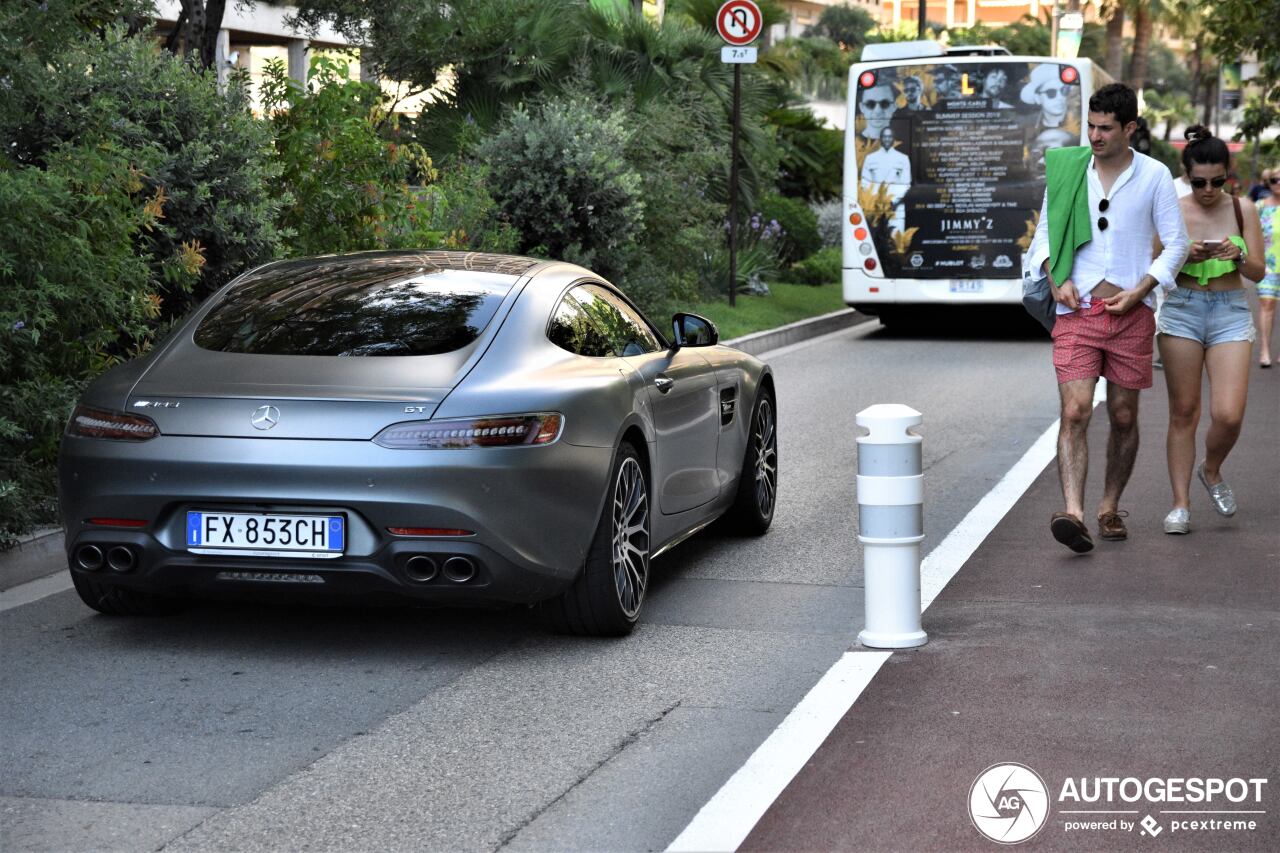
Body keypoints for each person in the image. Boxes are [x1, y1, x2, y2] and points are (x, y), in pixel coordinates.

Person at [1027, 83, 1189, 552]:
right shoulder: (1068, 169)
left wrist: (1143, 289)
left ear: (1129, 129)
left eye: (1105, 128)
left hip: (1131, 313)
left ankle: (1108, 506)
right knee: (1075, 410)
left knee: (1122, 415)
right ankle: (1073, 513)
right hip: (1076, 310)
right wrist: (1053, 277)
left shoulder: (1155, 175)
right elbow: (1044, 236)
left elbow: (1176, 244)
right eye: (1091, 126)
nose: (1094, 136)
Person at [1156, 127, 1266, 534]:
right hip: (1182, 309)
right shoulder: (1172, 206)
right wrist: (1185, 253)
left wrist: (1238, 255)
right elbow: (1153, 266)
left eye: (1217, 181)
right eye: (1199, 181)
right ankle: (1180, 505)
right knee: (1184, 412)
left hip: (1230, 311)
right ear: (1186, 175)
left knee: (1228, 414)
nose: (1207, 189)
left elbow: (1259, 271)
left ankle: (1212, 469)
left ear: (1228, 176)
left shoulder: (1243, 210)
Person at [861, 126, 912, 232]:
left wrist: (892, 202)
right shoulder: (870, 158)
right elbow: (865, 182)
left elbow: (906, 184)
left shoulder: (903, 158)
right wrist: (876, 200)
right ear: (880, 139)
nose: (887, 139)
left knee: (894, 242)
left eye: (889, 137)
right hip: (874, 208)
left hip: (896, 210)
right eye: (884, 137)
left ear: (893, 139)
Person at [1257, 170, 1280, 368]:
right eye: (1274, 179)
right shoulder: (1260, 207)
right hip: (1268, 265)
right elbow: (1250, 234)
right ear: (1268, 182)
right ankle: (1264, 350)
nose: (1278, 183)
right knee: (1267, 305)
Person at [1021, 64, 1071, 132]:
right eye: (1051, 92)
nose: (1060, 97)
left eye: (1064, 90)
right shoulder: (1028, 127)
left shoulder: (1079, 122)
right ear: (1037, 98)